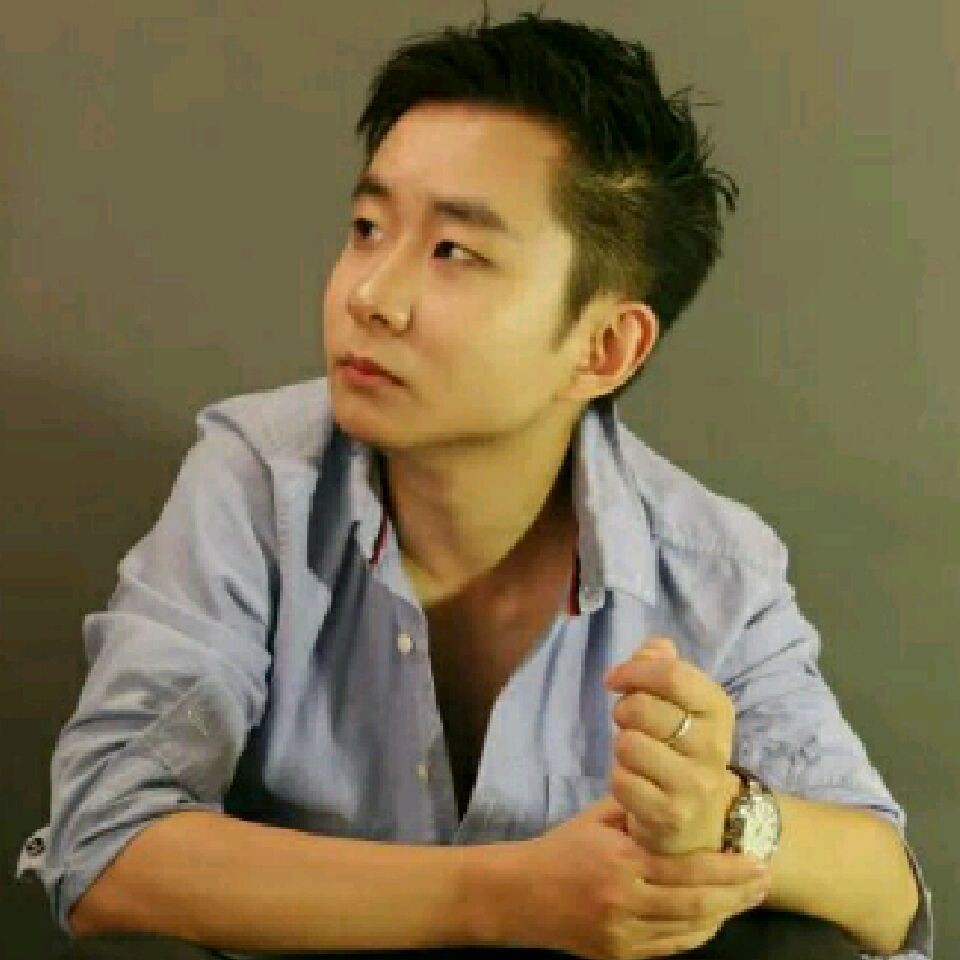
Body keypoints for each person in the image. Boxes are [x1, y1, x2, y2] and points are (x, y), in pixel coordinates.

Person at [15, 4, 932, 959]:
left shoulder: (710, 564)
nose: (370, 294)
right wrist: (507, 895)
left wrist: (727, 815)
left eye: (454, 251)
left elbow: (887, 896)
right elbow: (105, 845)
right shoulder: (257, 480)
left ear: (605, 346)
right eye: (368, 227)